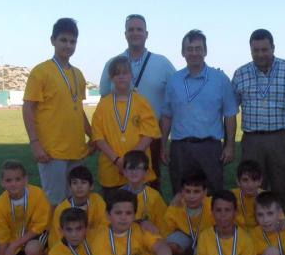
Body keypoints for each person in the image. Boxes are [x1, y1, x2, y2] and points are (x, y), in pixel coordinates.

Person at [232, 29, 285, 218]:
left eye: (264, 49)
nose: (260, 54)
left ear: (273, 48)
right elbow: (231, 110)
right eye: (255, 50)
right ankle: (253, 228)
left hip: (280, 138)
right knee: (252, 188)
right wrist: (229, 143)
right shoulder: (240, 73)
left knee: (284, 186)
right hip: (252, 140)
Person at [99, 14, 176, 190]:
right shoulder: (112, 63)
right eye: (131, 29)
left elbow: (177, 90)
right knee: (117, 188)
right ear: (125, 34)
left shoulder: (162, 63)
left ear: (146, 34)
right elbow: (104, 95)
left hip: (149, 136)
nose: (135, 33)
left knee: (149, 184)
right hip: (116, 135)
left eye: (139, 29)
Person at [23, 17, 94, 208]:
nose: (68, 45)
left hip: (77, 150)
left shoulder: (78, 74)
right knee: (55, 201)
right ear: (52, 40)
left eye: (72, 41)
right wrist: (35, 144)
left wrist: (93, 135)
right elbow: (28, 108)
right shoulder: (41, 72)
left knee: (77, 200)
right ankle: (52, 229)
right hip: (52, 151)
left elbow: (78, 110)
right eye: (63, 40)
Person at [160, 30, 238, 194]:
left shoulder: (220, 79)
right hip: (180, 147)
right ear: (183, 52)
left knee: (213, 193)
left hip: (210, 148)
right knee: (181, 193)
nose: (194, 53)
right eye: (189, 49)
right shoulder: (174, 81)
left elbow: (230, 114)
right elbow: (167, 115)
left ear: (205, 51)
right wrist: (163, 145)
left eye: (198, 48)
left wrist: (230, 145)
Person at [92, 57, 160, 199]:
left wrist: (129, 161)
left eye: (125, 73)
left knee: (140, 208)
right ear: (111, 78)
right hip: (111, 169)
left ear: (131, 76)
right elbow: (98, 137)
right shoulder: (103, 105)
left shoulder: (142, 102)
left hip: (138, 169)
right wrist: (117, 161)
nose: (121, 76)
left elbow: (149, 134)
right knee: (114, 208)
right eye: (116, 74)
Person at [47, 165, 107, 248]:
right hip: (68, 247)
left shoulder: (97, 200)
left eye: (83, 182)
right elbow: (58, 237)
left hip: (94, 242)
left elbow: (105, 224)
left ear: (91, 186)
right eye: (75, 183)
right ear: (70, 187)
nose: (79, 187)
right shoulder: (61, 209)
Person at [162, 170, 213, 255]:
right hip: (186, 235)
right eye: (188, 191)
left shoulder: (213, 205)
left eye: (196, 191)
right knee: (170, 246)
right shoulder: (176, 206)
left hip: (207, 237)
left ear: (205, 192)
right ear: (182, 192)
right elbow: (165, 231)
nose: (191, 196)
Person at [120, 150, 166, 234]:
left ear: (146, 172)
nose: (134, 172)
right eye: (130, 168)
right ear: (124, 172)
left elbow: (163, 223)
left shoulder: (154, 196)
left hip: (148, 237)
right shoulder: (118, 195)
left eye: (138, 168)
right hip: (125, 237)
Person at [232, 159, 263, 231]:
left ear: (260, 181)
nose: (250, 185)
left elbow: (281, 220)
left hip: (260, 234)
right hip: (237, 233)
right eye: (245, 180)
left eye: (254, 180)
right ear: (238, 181)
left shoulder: (267, 198)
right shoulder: (230, 197)